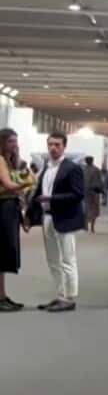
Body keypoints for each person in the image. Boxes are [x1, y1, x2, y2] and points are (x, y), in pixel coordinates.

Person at [26, 132, 86, 313]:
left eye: (57, 145)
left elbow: (78, 194)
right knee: (53, 260)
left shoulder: (72, 168)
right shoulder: (46, 168)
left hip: (65, 218)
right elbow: (37, 193)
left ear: (64, 147)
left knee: (68, 259)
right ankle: (60, 295)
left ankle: (70, 297)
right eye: (50, 144)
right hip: (48, 218)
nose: (53, 148)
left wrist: (52, 198)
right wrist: (29, 215)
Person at [0, 128, 35, 312]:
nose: (14, 145)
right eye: (10, 141)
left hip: (11, 209)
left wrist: (23, 216)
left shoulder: (12, 163)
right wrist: (26, 183)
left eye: (15, 141)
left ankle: (2, 296)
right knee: (2, 255)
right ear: (2, 142)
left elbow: (18, 189)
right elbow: (8, 185)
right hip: (2, 211)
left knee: (4, 257)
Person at [82, 156, 104, 233]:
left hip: (87, 193)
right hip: (93, 192)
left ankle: (87, 227)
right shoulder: (96, 169)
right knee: (93, 210)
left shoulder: (83, 170)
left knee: (86, 209)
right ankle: (91, 227)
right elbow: (100, 181)